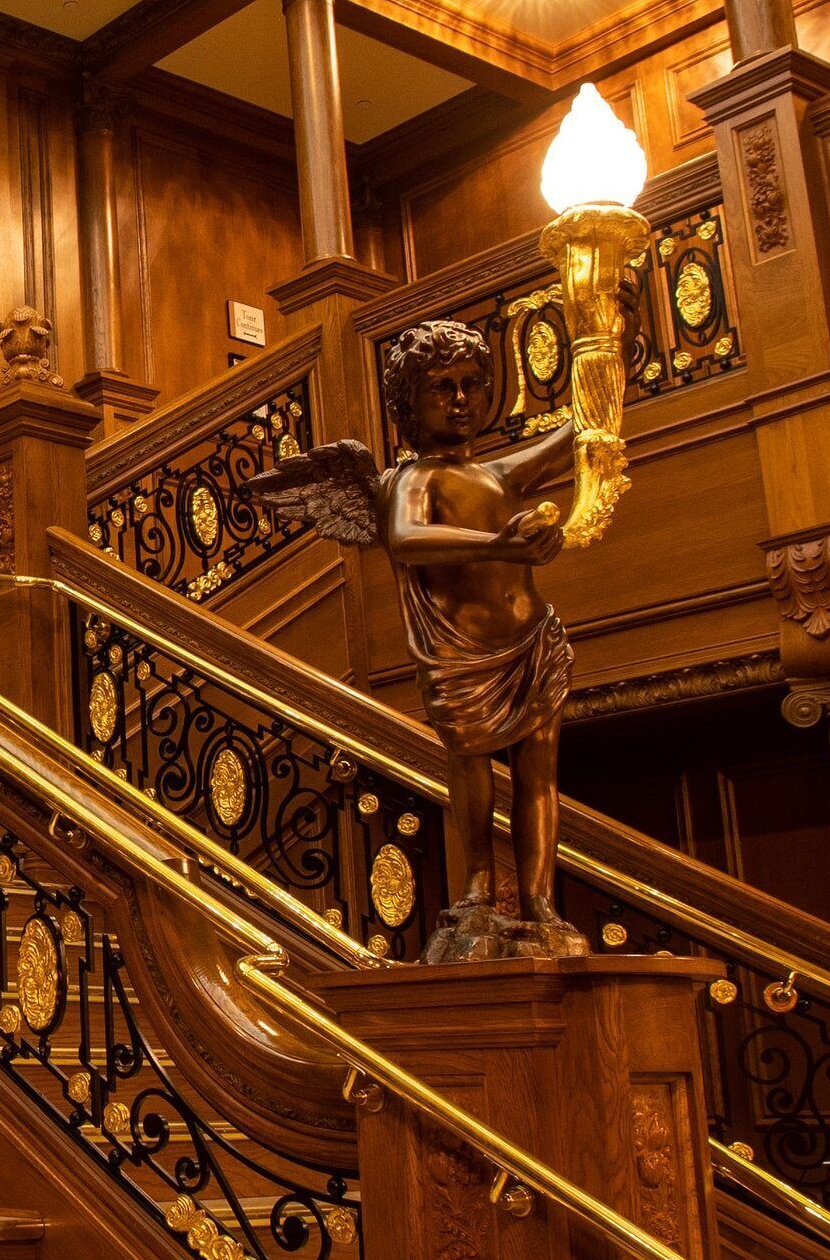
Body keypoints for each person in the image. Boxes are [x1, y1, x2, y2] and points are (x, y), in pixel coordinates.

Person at [250, 319, 583, 959]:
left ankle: (540, 899)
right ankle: (482, 883)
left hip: (533, 642)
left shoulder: (495, 474)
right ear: (409, 403)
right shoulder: (411, 482)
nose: (460, 400)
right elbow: (404, 539)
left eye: (471, 386)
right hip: (463, 657)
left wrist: (600, 348)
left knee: (540, 776)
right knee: (474, 770)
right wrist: (501, 542)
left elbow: (581, 439)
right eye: (442, 389)